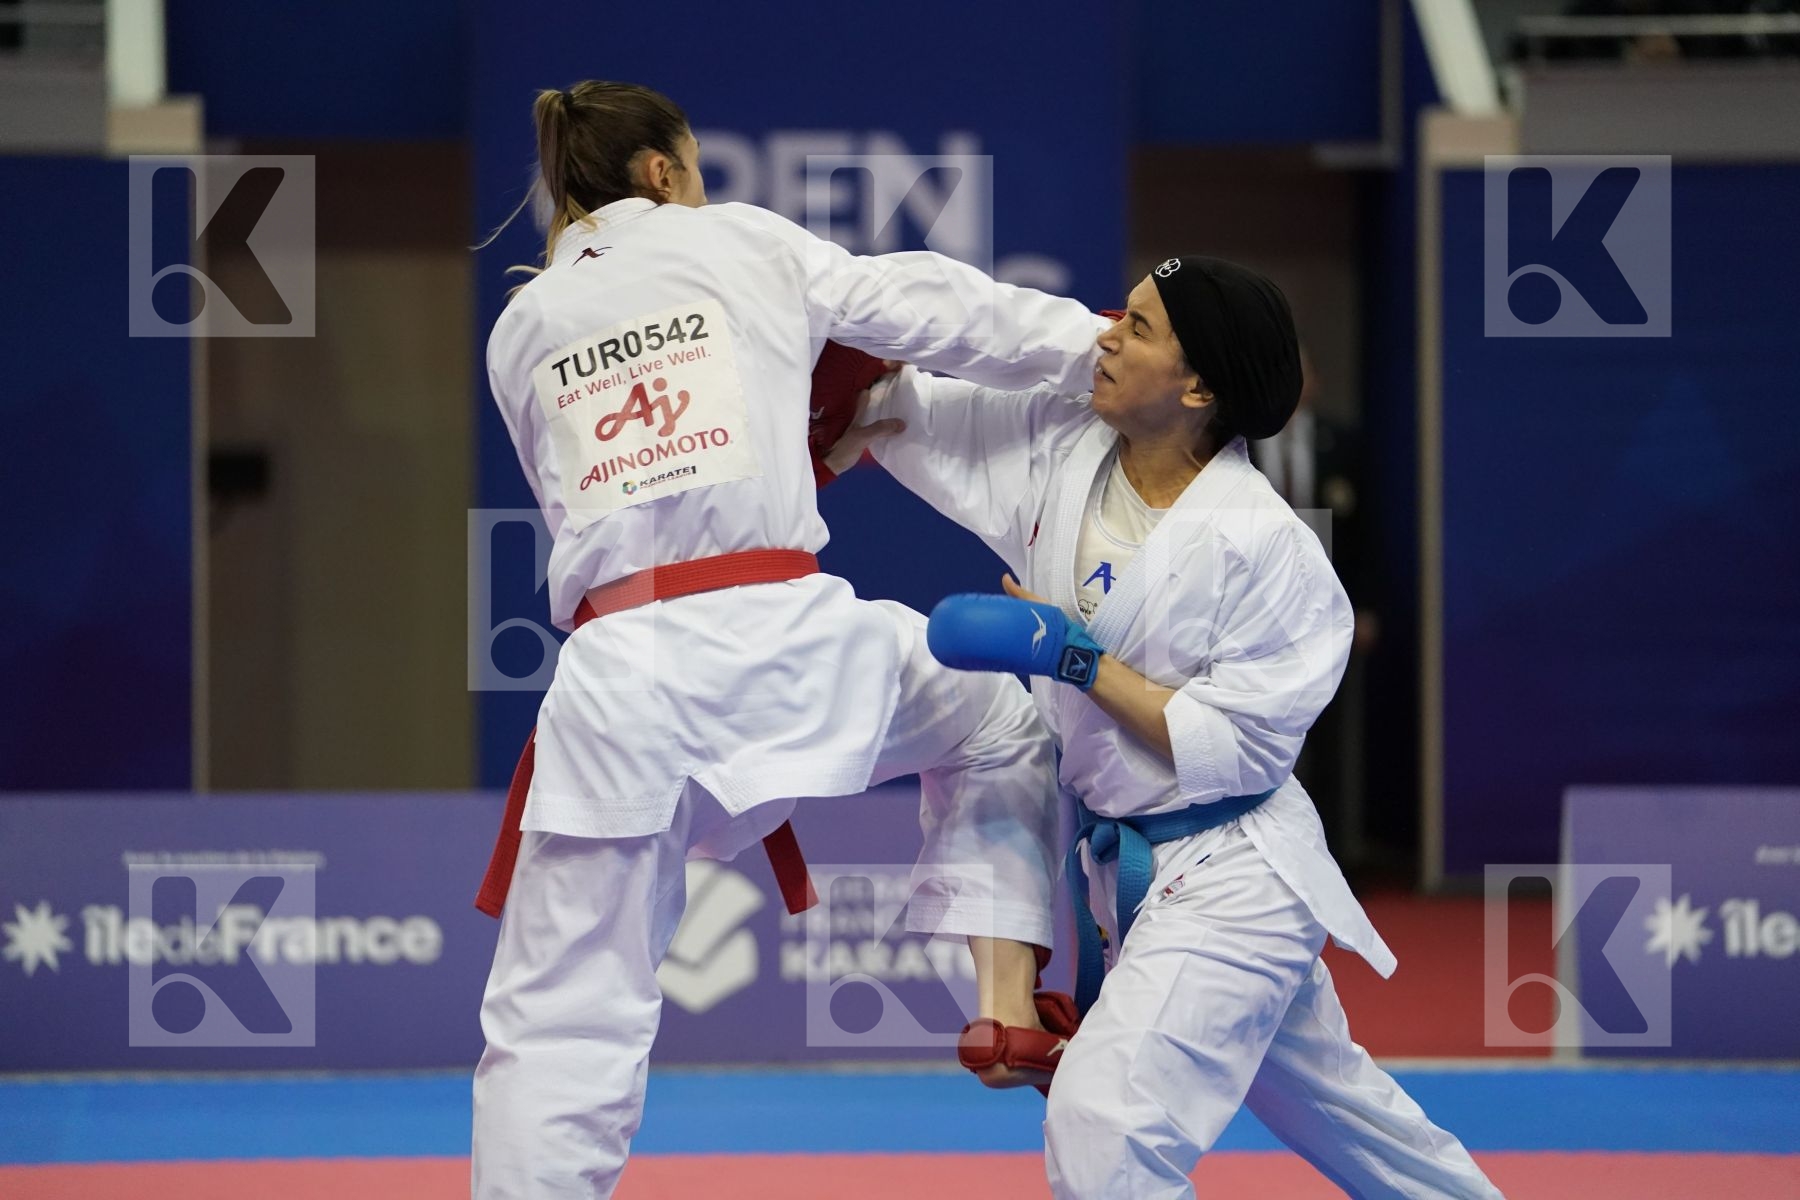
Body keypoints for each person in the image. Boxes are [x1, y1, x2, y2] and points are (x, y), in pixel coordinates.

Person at [473, 80, 1102, 1197]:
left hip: (616, 671)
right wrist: (1098, 350)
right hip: (778, 634)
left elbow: (591, 490)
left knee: (560, 1014)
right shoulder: (741, 242)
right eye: (696, 168)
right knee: (1007, 715)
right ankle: (1005, 1006)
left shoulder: (519, 327)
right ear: (663, 172)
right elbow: (939, 308)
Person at [852, 256, 1502, 1197]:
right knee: (1360, 1123)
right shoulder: (1064, 448)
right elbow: (918, 414)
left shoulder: (1269, 548)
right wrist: (838, 390)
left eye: (1141, 328)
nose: (1104, 335)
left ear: (1198, 387)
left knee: (1102, 1127)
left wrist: (1077, 661)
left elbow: (1234, 748)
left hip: (1235, 872)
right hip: (1132, 880)